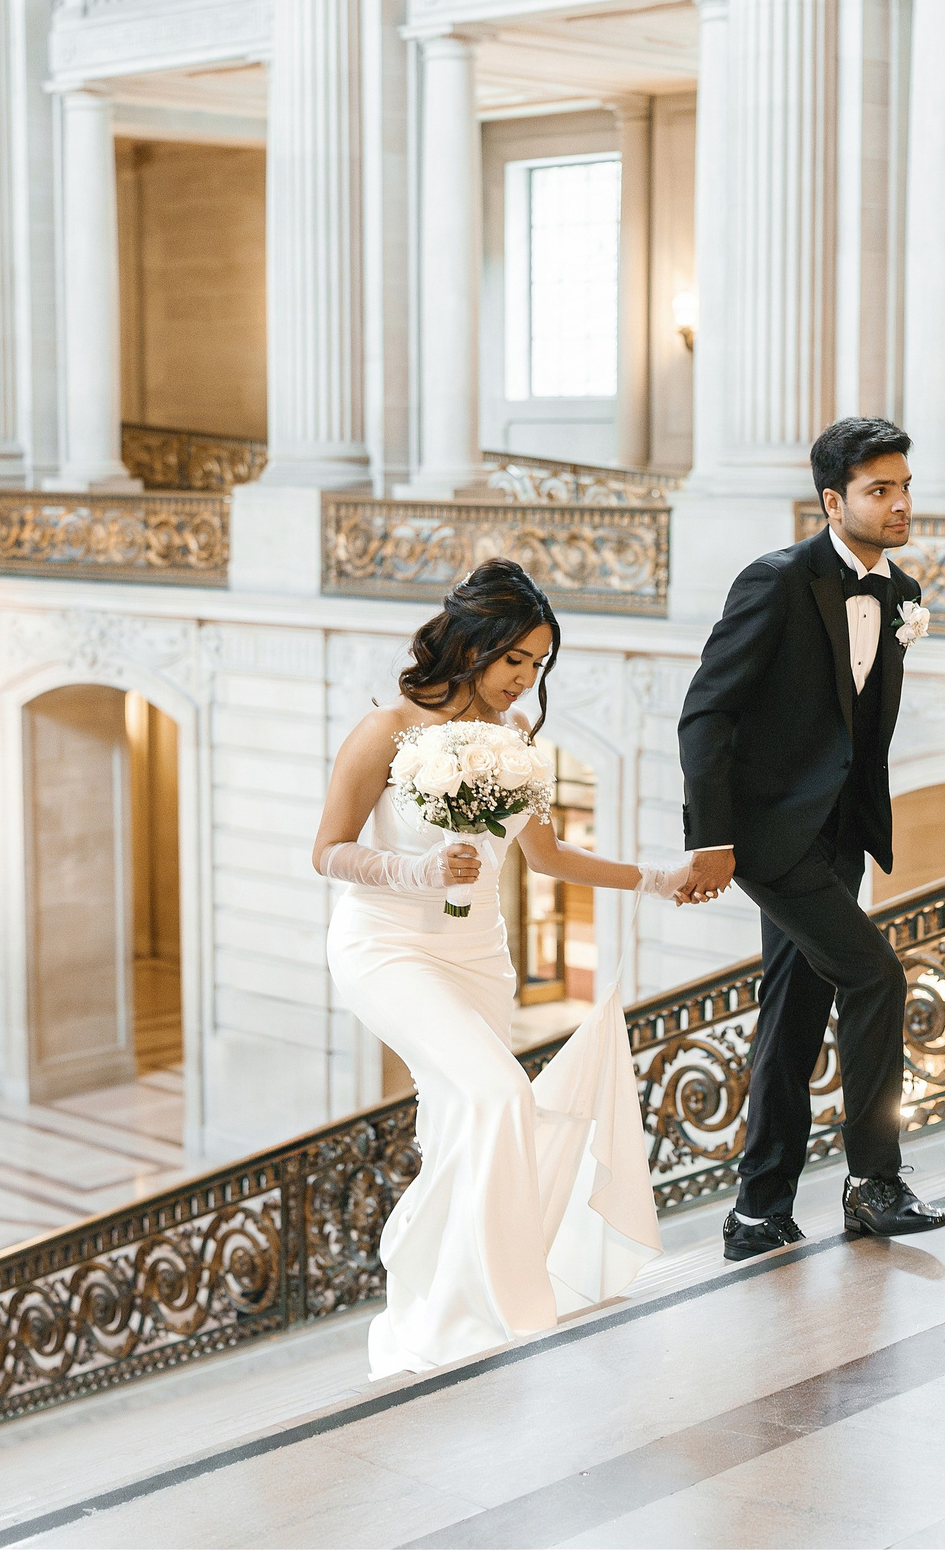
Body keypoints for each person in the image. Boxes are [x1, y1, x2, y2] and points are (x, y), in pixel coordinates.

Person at [311, 557, 690, 1378]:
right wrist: (415, 872)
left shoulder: (517, 740)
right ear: (473, 646)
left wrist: (657, 880)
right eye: (514, 659)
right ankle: (507, 1311)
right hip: (386, 946)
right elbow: (327, 852)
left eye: (538, 664)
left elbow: (548, 857)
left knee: (459, 1124)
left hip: (479, 955)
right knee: (498, 1095)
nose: (525, 680)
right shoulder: (386, 731)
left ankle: (436, 1305)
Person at [677, 417, 945, 1261]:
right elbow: (707, 712)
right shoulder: (776, 582)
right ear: (834, 502)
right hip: (771, 835)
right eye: (880, 490)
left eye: (904, 485)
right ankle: (874, 1182)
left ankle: (759, 1212)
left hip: (840, 830)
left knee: (794, 1012)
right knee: (875, 976)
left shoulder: (899, 594)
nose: (900, 502)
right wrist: (714, 839)